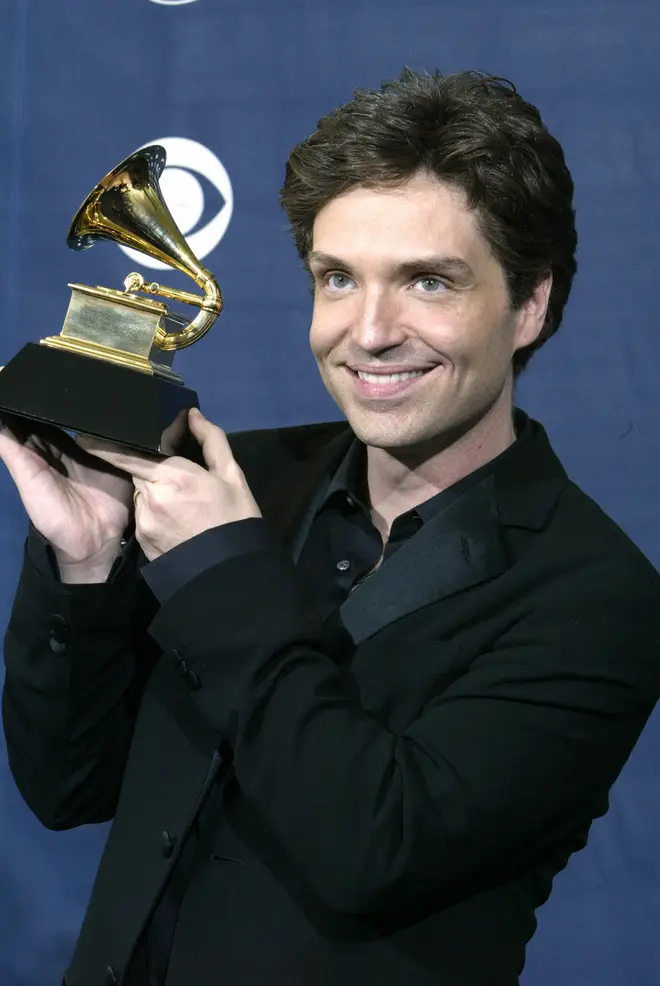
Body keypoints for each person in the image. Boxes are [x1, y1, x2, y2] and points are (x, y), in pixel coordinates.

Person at [2, 69, 660, 986]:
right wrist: (81, 568)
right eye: (337, 278)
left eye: (428, 281)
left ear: (530, 305)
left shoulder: (596, 594)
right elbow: (70, 785)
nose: (369, 331)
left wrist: (222, 573)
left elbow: (376, 847)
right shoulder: (248, 479)